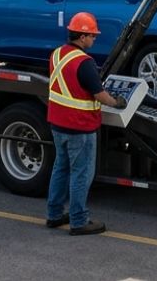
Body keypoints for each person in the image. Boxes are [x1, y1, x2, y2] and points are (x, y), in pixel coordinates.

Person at [46, 12, 127, 236]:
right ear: (82, 37)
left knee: (60, 169)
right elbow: (100, 95)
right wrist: (117, 102)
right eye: (92, 35)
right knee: (81, 174)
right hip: (79, 127)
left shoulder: (57, 54)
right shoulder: (84, 63)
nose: (94, 39)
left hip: (58, 124)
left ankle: (54, 215)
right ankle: (79, 221)